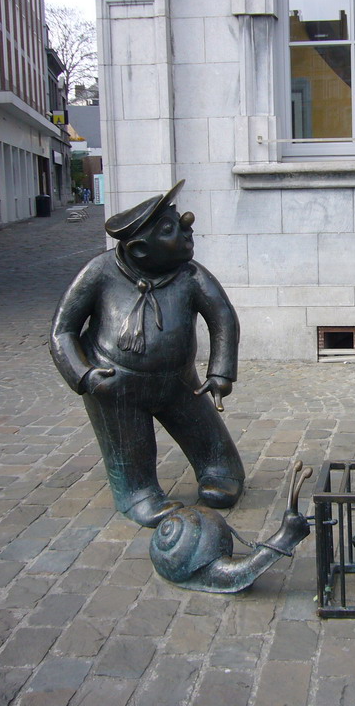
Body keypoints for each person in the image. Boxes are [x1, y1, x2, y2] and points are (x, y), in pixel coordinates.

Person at [50, 180, 244, 526]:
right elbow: (62, 330)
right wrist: (84, 374)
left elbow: (223, 317)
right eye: (170, 228)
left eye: (180, 221)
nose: (187, 224)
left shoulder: (191, 275)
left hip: (180, 383)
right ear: (140, 249)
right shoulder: (99, 272)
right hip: (116, 387)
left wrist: (220, 372)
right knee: (131, 450)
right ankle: (137, 493)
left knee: (209, 441)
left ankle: (217, 470)